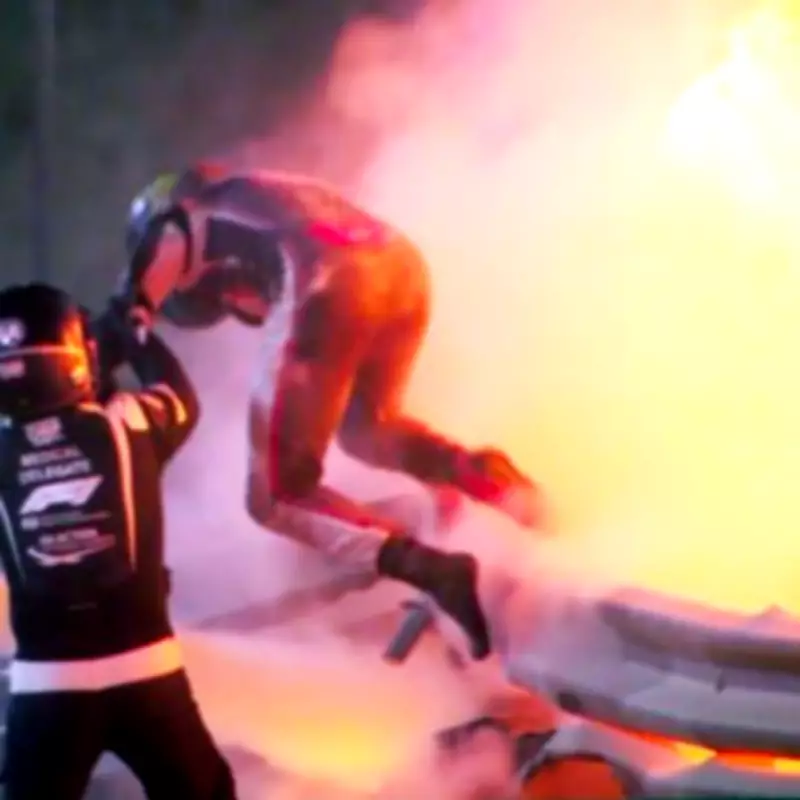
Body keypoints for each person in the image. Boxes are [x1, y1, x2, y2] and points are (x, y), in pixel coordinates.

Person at [117, 163, 543, 657]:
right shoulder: (263, 193)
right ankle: (499, 486)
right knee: (369, 428)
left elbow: (163, 266)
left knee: (275, 495)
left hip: (325, 276)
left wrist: (124, 322)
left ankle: (436, 571)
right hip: (400, 264)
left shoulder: (188, 220)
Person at [0, 283, 236, 799]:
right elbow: (179, 394)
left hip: (46, 683)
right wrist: (133, 331)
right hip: (146, 670)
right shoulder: (129, 421)